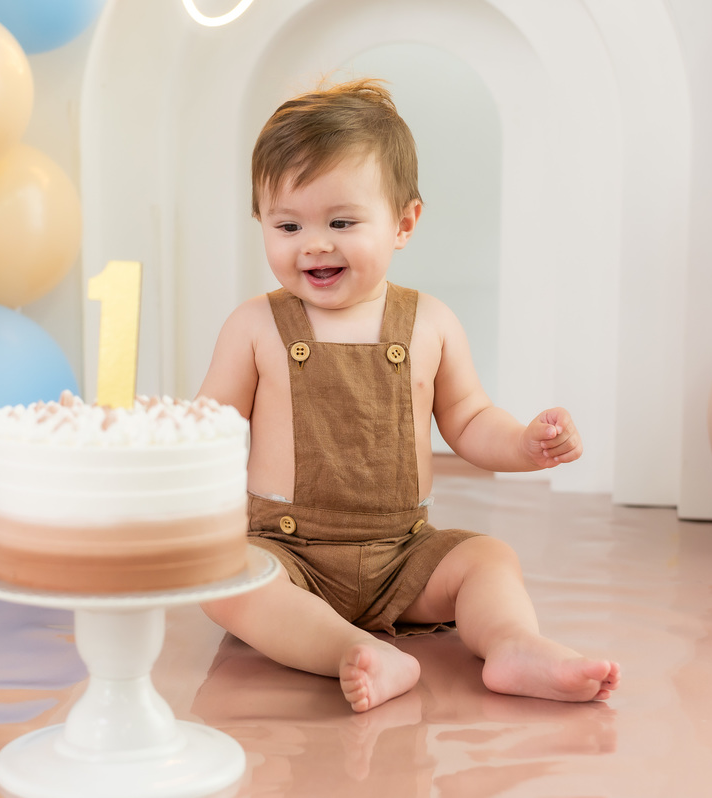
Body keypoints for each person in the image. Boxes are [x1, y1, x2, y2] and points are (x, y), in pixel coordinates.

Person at [198, 78, 620, 713]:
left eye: (341, 221)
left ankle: (512, 643)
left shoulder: (431, 323)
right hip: (286, 553)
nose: (314, 243)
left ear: (404, 222)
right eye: (288, 224)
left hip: (403, 556)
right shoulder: (255, 325)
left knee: (486, 558)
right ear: (262, 221)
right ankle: (350, 651)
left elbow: (470, 419)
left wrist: (525, 445)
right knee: (224, 574)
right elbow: (210, 426)